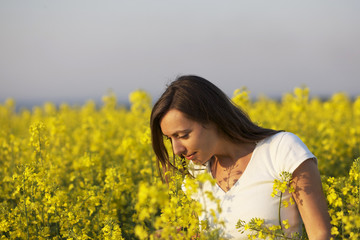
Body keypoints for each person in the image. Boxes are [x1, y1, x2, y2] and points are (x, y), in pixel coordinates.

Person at [150, 75, 331, 239]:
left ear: (211, 118)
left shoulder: (281, 149)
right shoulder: (196, 171)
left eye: (183, 135)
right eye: (170, 138)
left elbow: (320, 234)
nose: (176, 150)